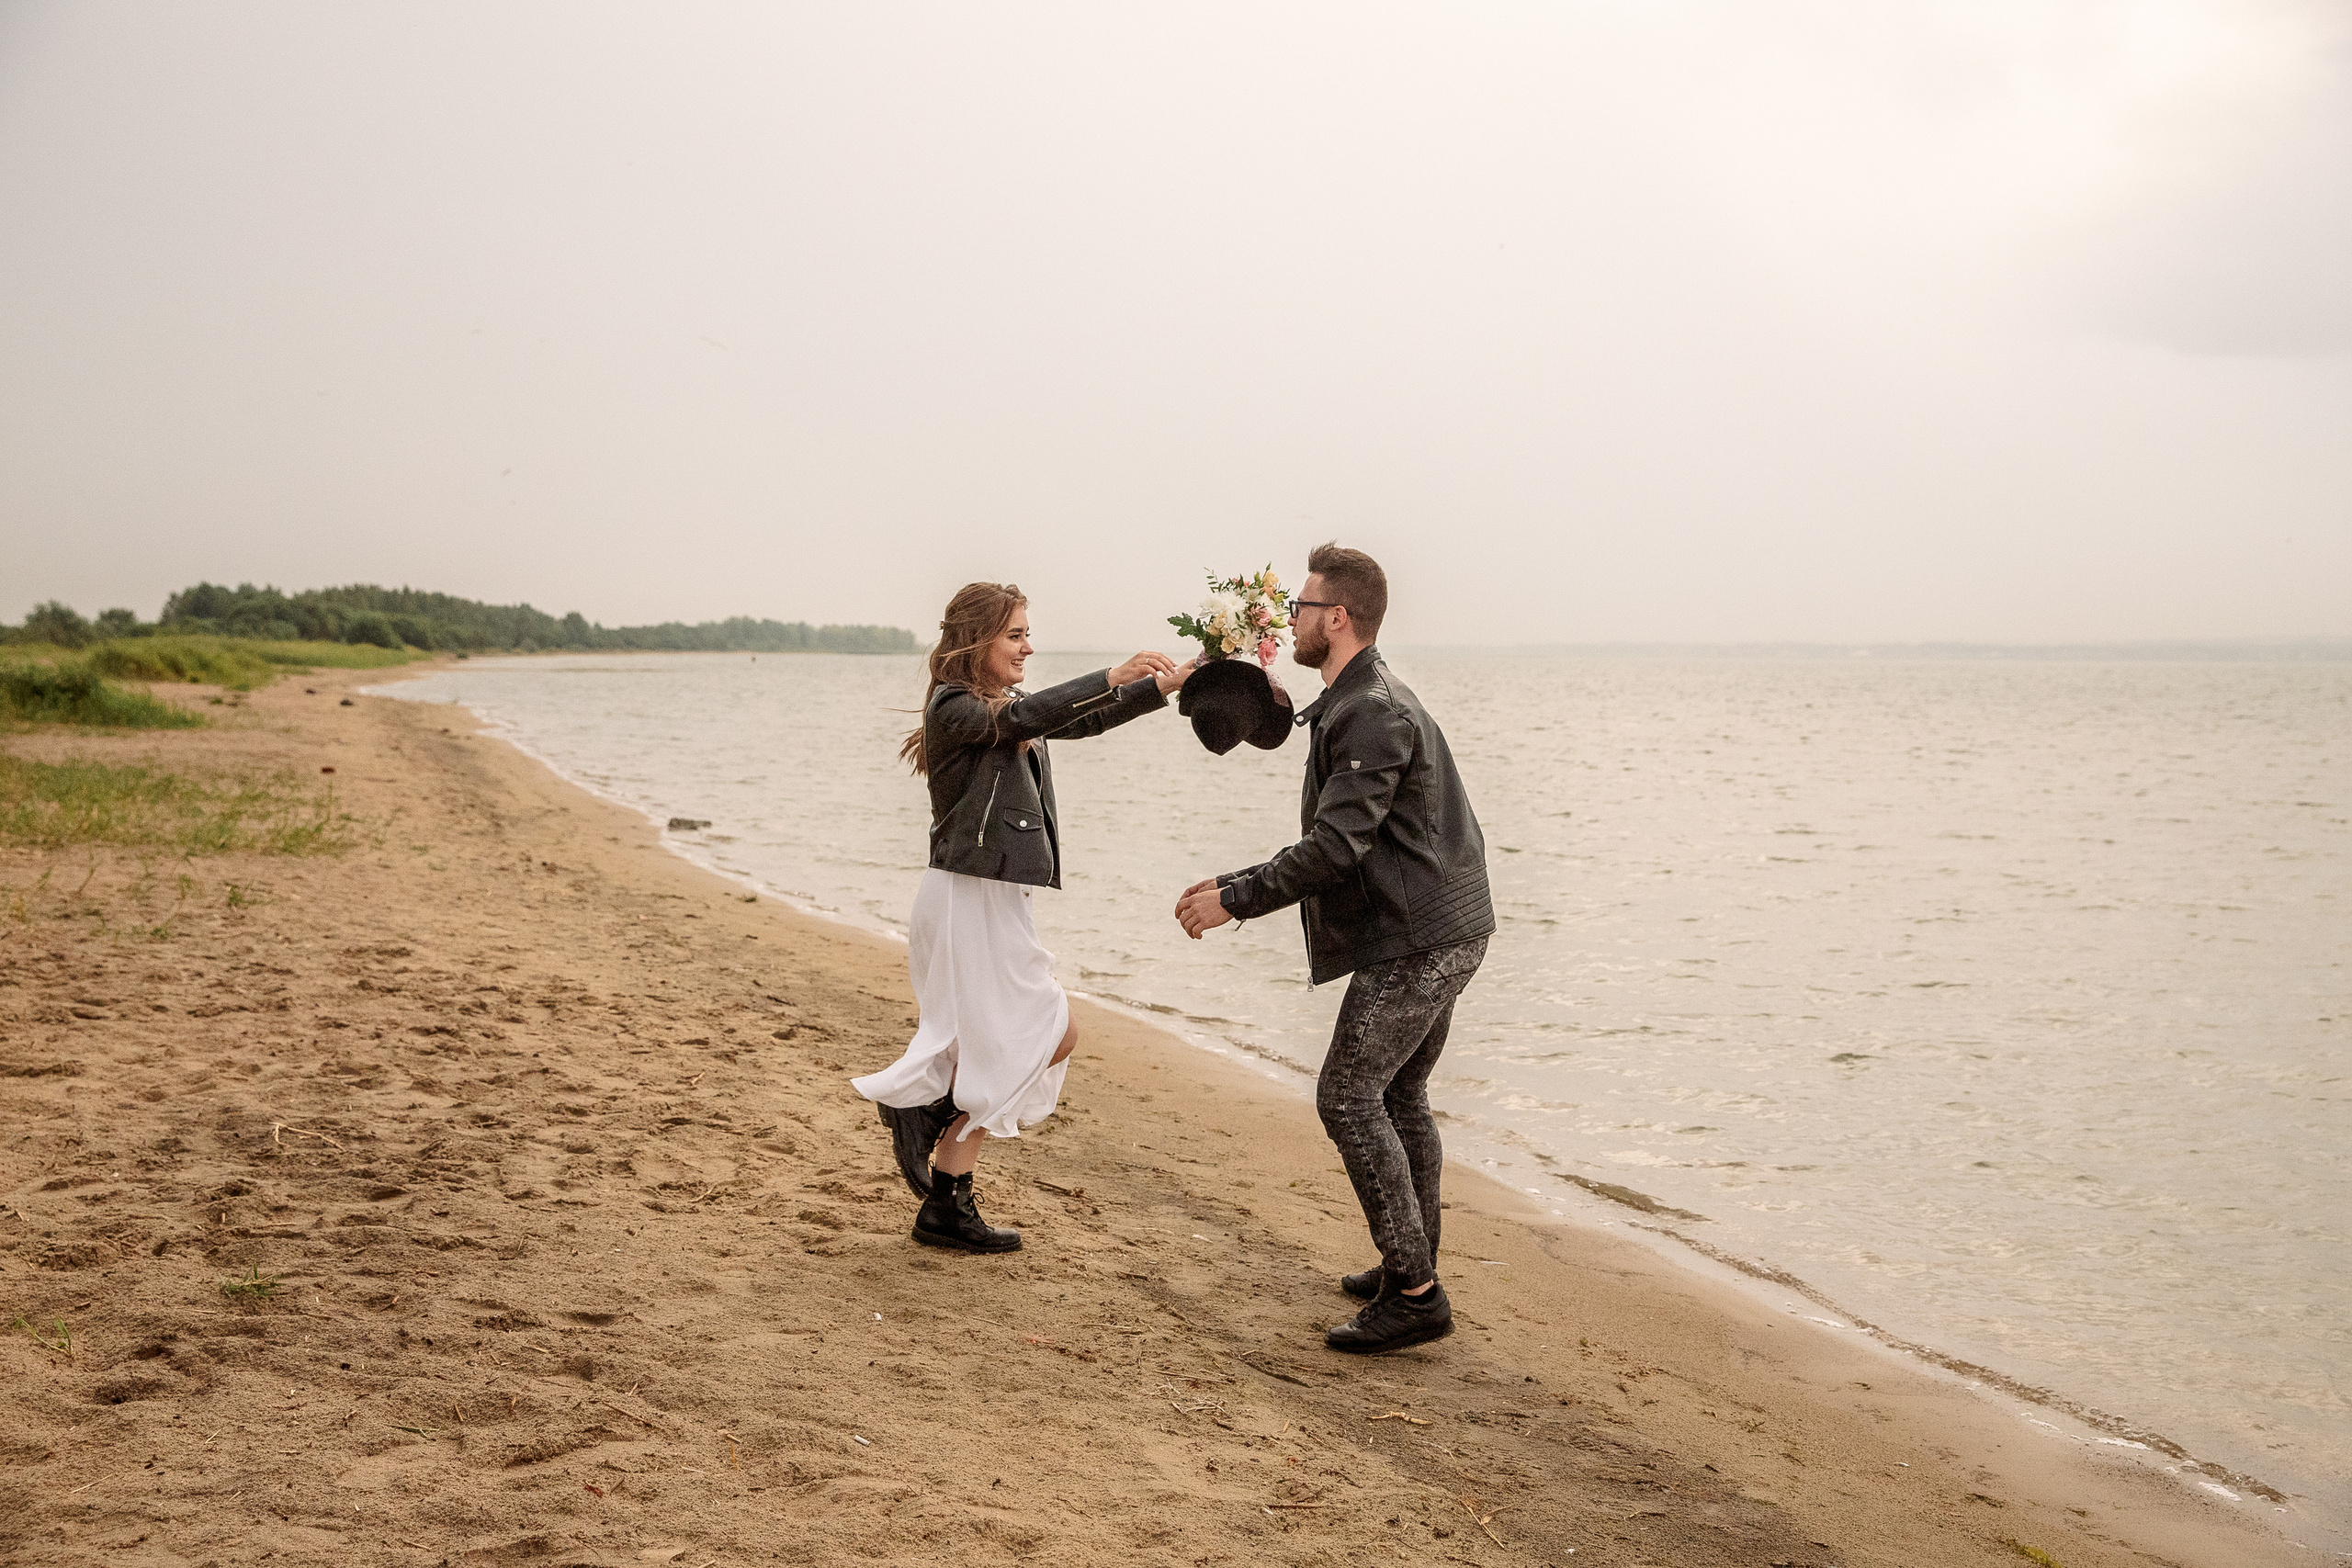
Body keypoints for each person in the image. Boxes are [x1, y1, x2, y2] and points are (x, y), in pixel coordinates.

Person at [1174, 543, 1493, 1352]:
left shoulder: (1374, 708)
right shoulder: (1354, 699)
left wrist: (1231, 898)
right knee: (1397, 1095)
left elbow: (1335, 847)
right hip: (1446, 923)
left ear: (1337, 616)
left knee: (1349, 1095)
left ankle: (1416, 1291)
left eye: (1302, 607)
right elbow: (1336, 808)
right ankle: (1408, 1263)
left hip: (1421, 936)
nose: (1293, 618)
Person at [854, 582, 1193, 1252]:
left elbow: (1073, 719)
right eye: (1015, 635)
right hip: (965, 896)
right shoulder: (955, 707)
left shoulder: (1001, 709)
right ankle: (925, 1110)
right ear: (978, 641)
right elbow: (1034, 713)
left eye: (1027, 634)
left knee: (1014, 1043)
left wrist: (1163, 688)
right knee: (1049, 1032)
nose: (1028, 646)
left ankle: (947, 1195)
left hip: (992, 896)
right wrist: (1110, 672)